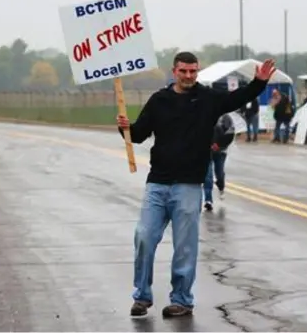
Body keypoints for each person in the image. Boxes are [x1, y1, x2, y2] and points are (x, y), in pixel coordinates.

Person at [116, 52, 276, 318]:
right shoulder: (159, 100)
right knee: (143, 237)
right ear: (174, 71)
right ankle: (142, 297)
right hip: (157, 183)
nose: (189, 76)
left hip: (189, 185)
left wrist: (259, 83)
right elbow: (140, 134)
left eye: (193, 71)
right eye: (184, 71)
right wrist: (125, 128)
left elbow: (237, 98)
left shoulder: (208, 99)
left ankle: (181, 299)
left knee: (185, 246)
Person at [203, 112, 235, 211]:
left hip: (221, 151)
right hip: (207, 151)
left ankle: (221, 186)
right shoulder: (204, 115)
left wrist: (219, 144)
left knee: (219, 173)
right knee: (208, 176)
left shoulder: (226, 118)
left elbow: (230, 135)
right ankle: (208, 200)